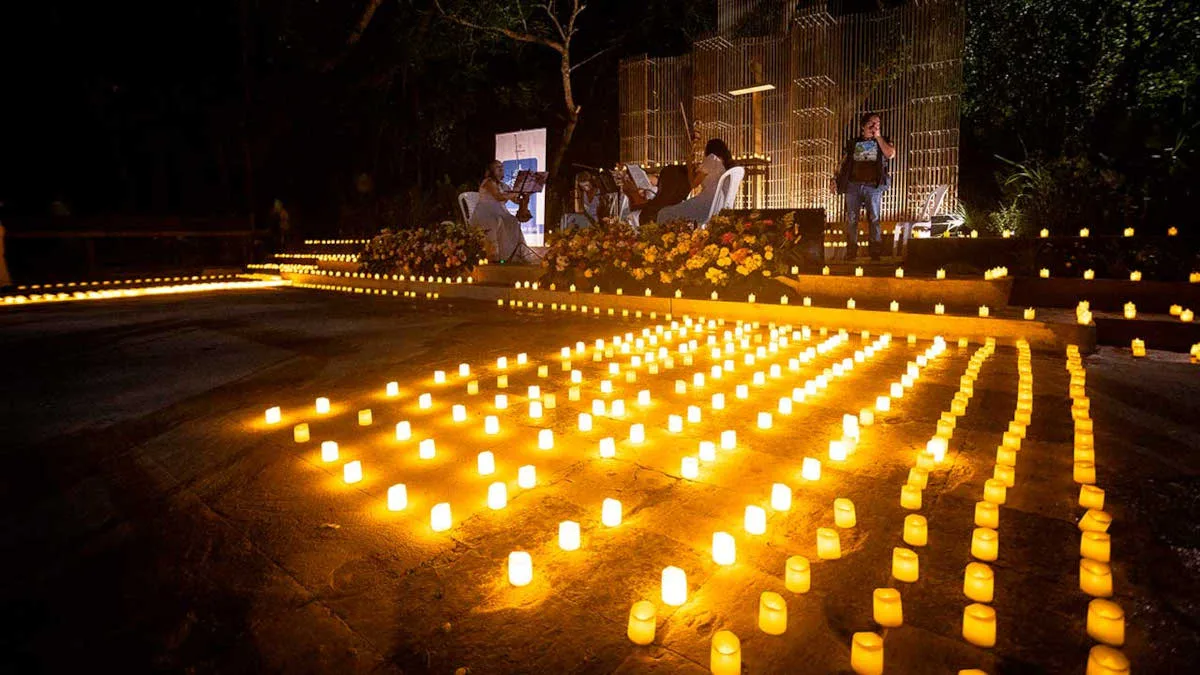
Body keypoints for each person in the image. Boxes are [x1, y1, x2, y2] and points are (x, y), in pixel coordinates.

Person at [831, 112, 895, 261]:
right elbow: (842, 162)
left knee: (874, 217)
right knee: (852, 218)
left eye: (878, 124)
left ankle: (875, 251)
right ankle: (851, 251)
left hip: (873, 185)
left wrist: (878, 137)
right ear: (864, 126)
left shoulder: (883, 140)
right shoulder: (853, 143)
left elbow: (890, 154)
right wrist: (834, 179)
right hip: (853, 185)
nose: (875, 126)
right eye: (872, 124)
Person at [655, 137, 733, 226]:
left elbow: (693, 184)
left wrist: (689, 167)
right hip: (718, 207)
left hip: (705, 205)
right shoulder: (725, 165)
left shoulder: (712, 159)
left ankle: (667, 238)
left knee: (664, 213)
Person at [471, 160, 530, 263]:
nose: (501, 169)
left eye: (502, 167)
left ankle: (511, 255)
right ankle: (494, 256)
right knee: (497, 220)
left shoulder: (503, 186)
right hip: (485, 213)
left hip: (500, 212)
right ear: (491, 170)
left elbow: (516, 200)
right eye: (497, 167)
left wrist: (525, 197)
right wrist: (515, 193)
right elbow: (498, 196)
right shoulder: (488, 182)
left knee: (512, 221)